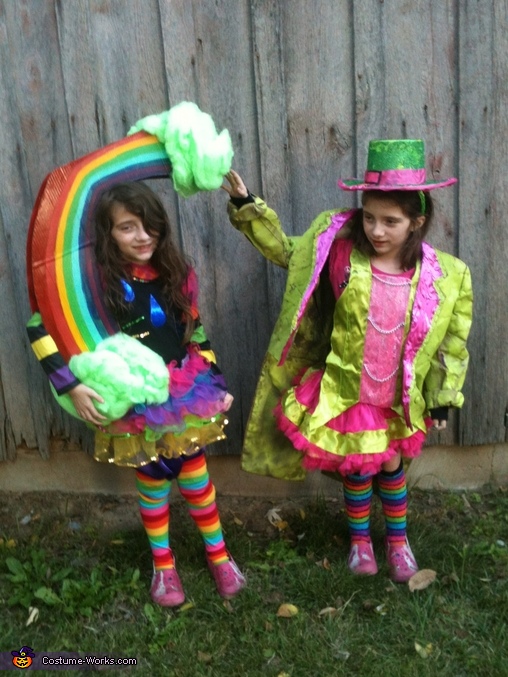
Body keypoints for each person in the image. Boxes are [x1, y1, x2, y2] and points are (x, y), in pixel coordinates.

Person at [223, 139, 472, 583]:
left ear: (417, 222)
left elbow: (452, 341)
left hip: (395, 395)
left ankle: (397, 542)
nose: (377, 230)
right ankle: (360, 542)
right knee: (356, 467)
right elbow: (286, 250)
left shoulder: (446, 276)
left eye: (391, 222)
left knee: (391, 466)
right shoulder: (338, 252)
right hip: (347, 390)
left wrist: (442, 396)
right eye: (369, 217)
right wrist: (247, 206)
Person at [27, 181, 245, 606]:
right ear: (107, 235)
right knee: (153, 479)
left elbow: (194, 331)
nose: (142, 236)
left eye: (149, 225)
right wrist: (69, 385)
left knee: (195, 475)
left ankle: (219, 555)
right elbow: (39, 326)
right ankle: (164, 567)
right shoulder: (91, 284)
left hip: (183, 390)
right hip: (134, 397)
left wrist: (215, 382)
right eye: (127, 227)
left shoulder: (176, 274)